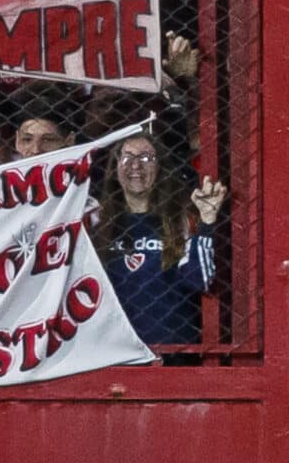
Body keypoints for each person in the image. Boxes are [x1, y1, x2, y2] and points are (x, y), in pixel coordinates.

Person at [92, 133, 225, 348]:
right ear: (115, 169)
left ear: (160, 167)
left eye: (146, 158)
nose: (136, 165)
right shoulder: (98, 223)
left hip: (172, 350)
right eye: (127, 158)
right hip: (113, 350)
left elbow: (199, 279)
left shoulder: (181, 219)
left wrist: (207, 222)